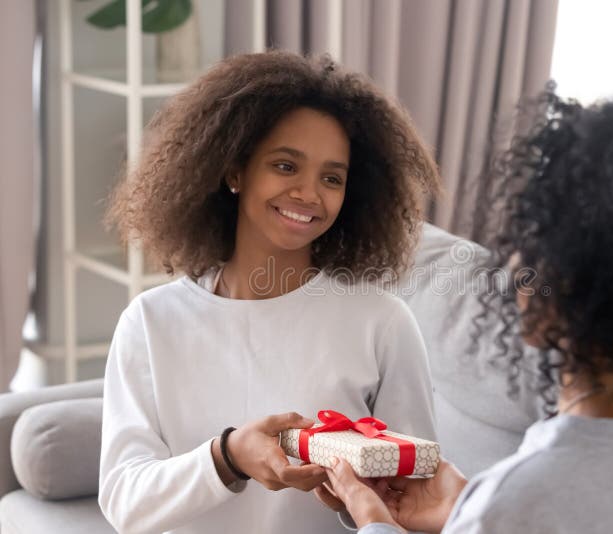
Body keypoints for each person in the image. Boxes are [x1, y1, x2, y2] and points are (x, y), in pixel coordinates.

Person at [320, 84, 613, 533]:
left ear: (561, 285)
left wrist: (373, 519)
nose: (513, 262)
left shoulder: (520, 500)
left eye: (529, 244)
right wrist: (466, 503)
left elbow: (540, 508)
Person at [98, 50, 440, 534]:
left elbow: (413, 497)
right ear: (235, 172)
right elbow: (125, 502)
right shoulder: (151, 322)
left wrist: (350, 493)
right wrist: (228, 457)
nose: (308, 193)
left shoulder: (381, 323)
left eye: (331, 178)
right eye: (285, 166)